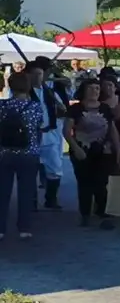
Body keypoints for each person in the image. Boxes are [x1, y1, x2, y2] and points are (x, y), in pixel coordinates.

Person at [64, 78, 120, 228]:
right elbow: (67, 131)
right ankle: (85, 213)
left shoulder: (105, 109)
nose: (94, 91)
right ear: (84, 90)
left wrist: (118, 149)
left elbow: (112, 129)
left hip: (103, 150)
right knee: (84, 183)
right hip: (82, 149)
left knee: (101, 182)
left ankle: (102, 210)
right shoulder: (76, 109)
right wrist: (76, 148)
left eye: (97, 88)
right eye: (91, 88)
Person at [0, 72, 42, 240]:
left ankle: (1, 228)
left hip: (4, 152)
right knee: (26, 192)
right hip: (29, 152)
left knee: (2, 192)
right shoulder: (34, 107)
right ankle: (24, 227)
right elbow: (38, 128)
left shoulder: (2, 106)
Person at [25, 59, 67, 210]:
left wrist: (60, 109)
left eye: (40, 74)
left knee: (55, 168)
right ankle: (32, 201)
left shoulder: (50, 92)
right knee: (31, 169)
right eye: (34, 74)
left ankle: (51, 198)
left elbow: (62, 110)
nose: (38, 77)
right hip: (31, 136)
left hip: (49, 133)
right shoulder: (24, 92)